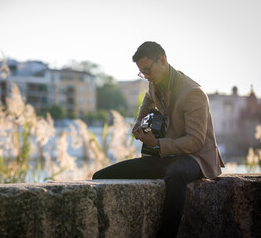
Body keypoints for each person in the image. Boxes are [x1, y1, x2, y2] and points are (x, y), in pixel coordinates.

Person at [92, 41, 225, 238]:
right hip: (167, 153)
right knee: (101, 176)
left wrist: (157, 144)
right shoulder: (155, 83)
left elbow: (196, 142)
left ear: (162, 60)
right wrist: (139, 121)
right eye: (141, 73)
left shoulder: (193, 93)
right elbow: (147, 99)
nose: (145, 76)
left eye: (147, 70)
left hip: (196, 158)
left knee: (176, 174)